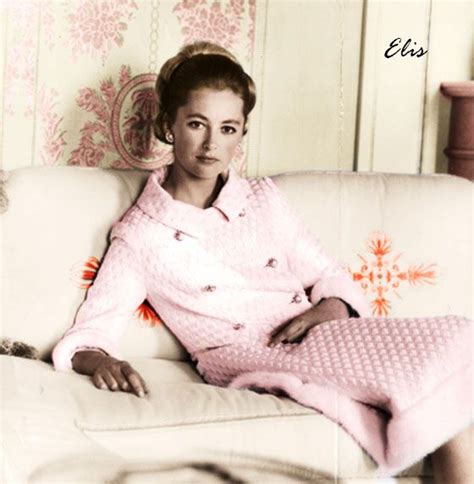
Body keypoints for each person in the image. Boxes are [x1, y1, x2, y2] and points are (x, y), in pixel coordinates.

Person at [52, 41, 472, 483]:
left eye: (229, 128)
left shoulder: (263, 200)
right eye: (197, 124)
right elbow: (92, 330)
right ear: (169, 125)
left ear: (242, 134)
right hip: (250, 355)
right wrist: (101, 363)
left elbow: (328, 275)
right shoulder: (142, 234)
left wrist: (328, 309)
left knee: (461, 345)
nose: (212, 144)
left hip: (320, 332)